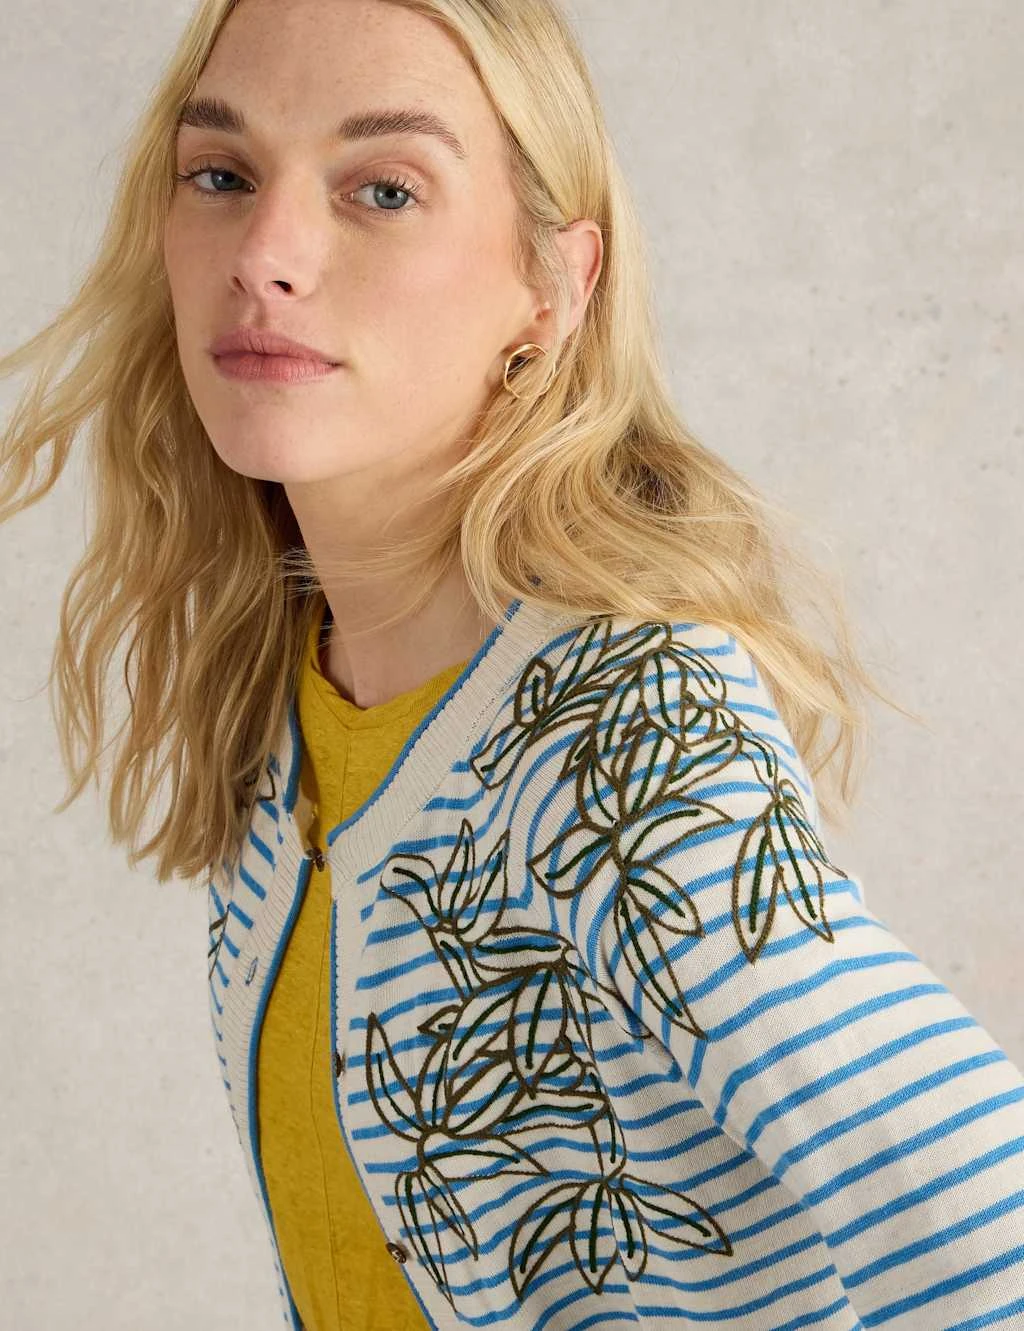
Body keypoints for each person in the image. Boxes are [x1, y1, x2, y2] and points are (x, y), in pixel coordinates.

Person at [2, 1, 1023, 1328]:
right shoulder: (289, 688)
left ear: (553, 286)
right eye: (222, 175)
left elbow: (981, 1213)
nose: (265, 254)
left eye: (383, 189)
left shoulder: (624, 722)